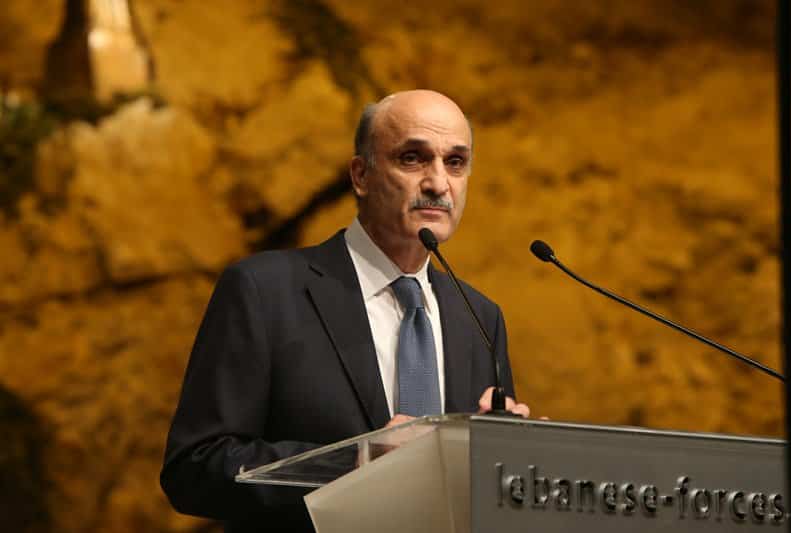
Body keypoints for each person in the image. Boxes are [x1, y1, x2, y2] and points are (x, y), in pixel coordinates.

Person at [160, 90, 530, 532]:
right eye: (412, 158)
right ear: (361, 175)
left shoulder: (480, 318)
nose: (437, 183)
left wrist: (507, 459)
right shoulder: (266, 291)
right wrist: (357, 462)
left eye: (455, 162)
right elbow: (195, 468)